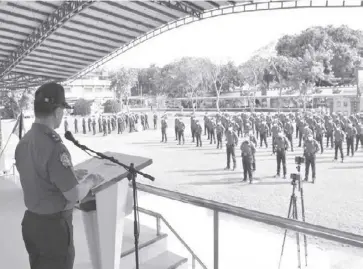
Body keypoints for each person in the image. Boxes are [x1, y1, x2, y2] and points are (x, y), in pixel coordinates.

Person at [15, 82, 104, 269]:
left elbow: (39, 176)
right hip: (53, 230)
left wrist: (70, 174)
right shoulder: (54, 146)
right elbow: (74, 195)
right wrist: (90, 180)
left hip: (31, 224)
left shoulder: (24, 142)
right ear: (56, 112)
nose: (62, 115)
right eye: (62, 110)